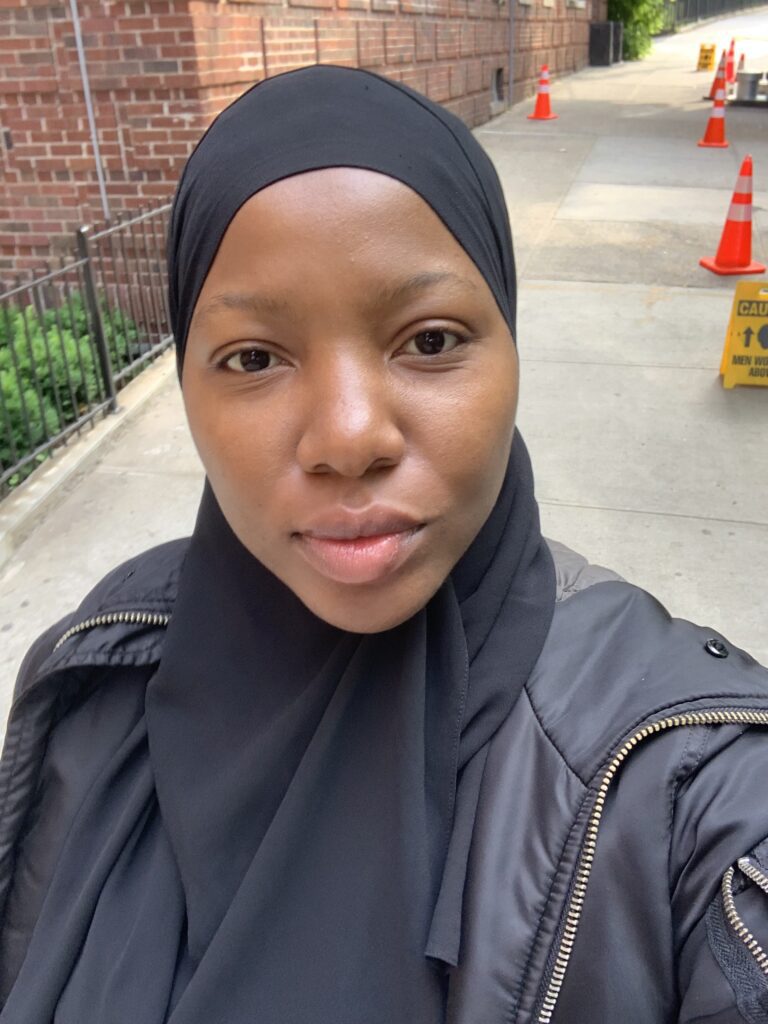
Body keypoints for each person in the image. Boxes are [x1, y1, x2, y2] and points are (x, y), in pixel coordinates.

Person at [0, 65, 766, 1024]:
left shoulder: (686, 785)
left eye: (431, 340)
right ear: (187, 387)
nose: (349, 438)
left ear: (513, 348)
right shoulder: (95, 679)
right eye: (253, 358)